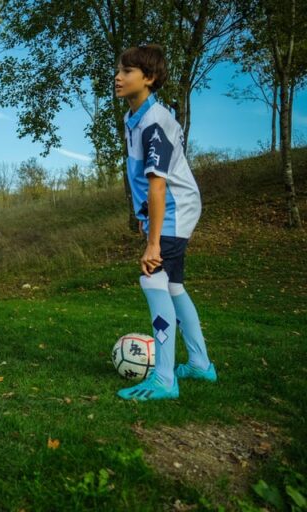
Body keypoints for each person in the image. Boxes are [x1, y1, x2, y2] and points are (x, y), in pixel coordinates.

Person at [114, 44, 216, 401]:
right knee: (173, 287)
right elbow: (146, 182)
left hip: (174, 207)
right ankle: (201, 365)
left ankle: (163, 379)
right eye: (119, 69)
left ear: (150, 78)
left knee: (152, 279)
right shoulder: (137, 117)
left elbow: (158, 184)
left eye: (127, 71)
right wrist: (146, 219)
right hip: (170, 209)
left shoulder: (155, 122)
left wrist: (154, 242)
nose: (118, 76)